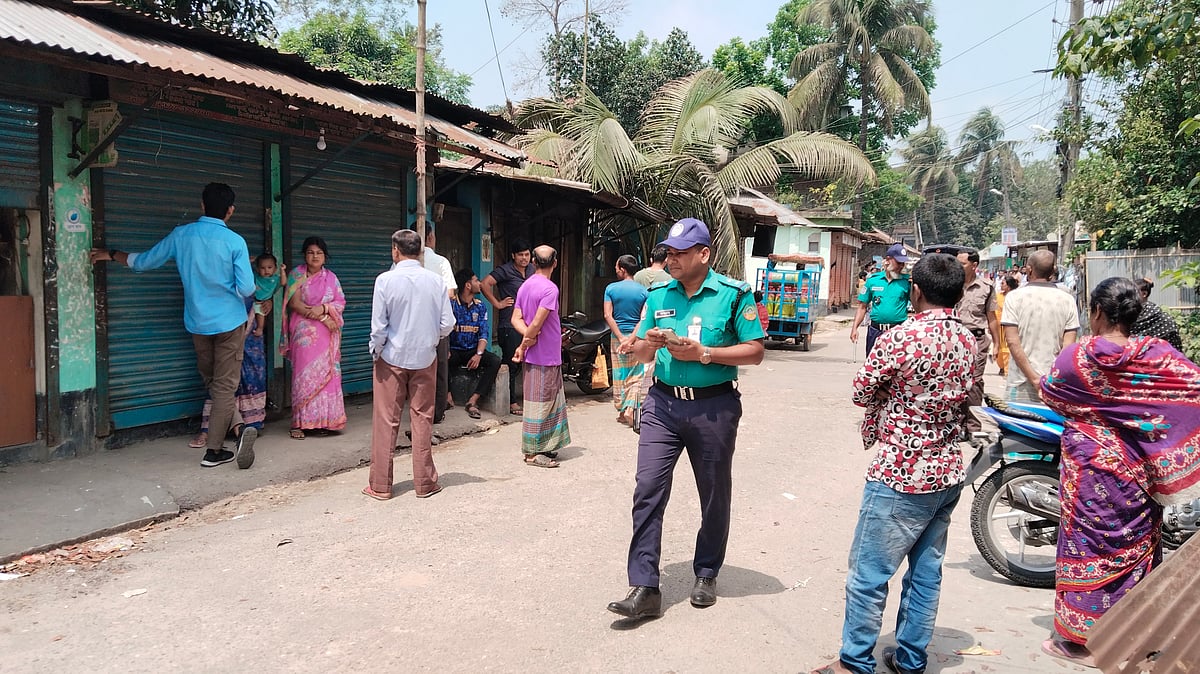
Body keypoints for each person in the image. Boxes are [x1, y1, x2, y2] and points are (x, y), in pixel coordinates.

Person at [810, 254, 977, 674]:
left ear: (916, 292)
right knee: (925, 572)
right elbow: (967, 395)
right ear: (958, 294)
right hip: (947, 469)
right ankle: (910, 658)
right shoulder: (968, 339)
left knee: (869, 574)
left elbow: (862, 392)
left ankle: (854, 663)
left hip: (901, 472)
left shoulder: (900, 338)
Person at [606, 218, 765, 620]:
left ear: (703, 254)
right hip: (663, 403)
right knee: (648, 489)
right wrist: (649, 342)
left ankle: (707, 572)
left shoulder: (732, 295)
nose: (671, 260)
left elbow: (755, 351)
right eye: (669, 253)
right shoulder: (658, 295)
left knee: (713, 491)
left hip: (714, 406)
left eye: (679, 253)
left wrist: (705, 354)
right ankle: (644, 586)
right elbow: (641, 354)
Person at [1038, 277, 1200, 667]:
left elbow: (1050, 393)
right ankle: (1132, 635)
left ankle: (1078, 641)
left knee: (1086, 546)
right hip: (1139, 476)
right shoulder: (1159, 355)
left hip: (1092, 473)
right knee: (1136, 547)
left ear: (1095, 311)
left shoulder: (1077, 358)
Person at [89, 182, 257, 469]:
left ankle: (240, 429)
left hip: (197, 323)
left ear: (202, 206)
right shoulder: (235, 242)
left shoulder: (182, 235)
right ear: (231, 211)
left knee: (214, 383)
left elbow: (143, 262)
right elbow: (246, 288)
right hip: (230, 323)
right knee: (224, 387)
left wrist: (112, 254)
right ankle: (214, 451)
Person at [364, 229, 456, 500]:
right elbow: (447, 324)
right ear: (422, 250)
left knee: (385, 421)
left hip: (390, 358)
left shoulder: (385, 281)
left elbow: (378, 326)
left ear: (395, 250)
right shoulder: (436, 282)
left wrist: (376, 351)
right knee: (423, 419)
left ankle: (380, 485)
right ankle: (425, 482)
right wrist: (430, 339)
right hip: (425, 358)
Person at [281, 236, 347, 439]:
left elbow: (340, 301)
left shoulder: (331, 278)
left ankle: (325, 422)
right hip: (304, 333)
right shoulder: (296, 275)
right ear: (304, 255)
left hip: (327, 335)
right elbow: (294, 303)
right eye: (310, 252)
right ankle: (299, 423)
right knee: (303, 375)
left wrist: (326, 310)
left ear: (325, 257)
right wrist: (321, 316)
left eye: (319, 253)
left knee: (329, 376)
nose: (315, 256)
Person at [511, 245, 570, 467]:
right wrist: (527, 341)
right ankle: (532, 453)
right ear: (555, 263)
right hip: (542, 355)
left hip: (544, 354)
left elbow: (516, 319)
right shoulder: (550, 289)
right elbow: (538, 320)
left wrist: (526, 339)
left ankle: (546, 445)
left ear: (534, 262)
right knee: (540, 403)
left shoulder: (525, 286)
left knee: (551, 401)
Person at [1000, 249, 1080, 402]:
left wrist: (1034, 378)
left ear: (1029, 269)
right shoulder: (1067, 299)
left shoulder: (1014, 297)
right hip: (1054, 382)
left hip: (1020, 382)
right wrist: (1049, 378)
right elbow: (1068, 346)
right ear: (1052, 272)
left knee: (1018, 424)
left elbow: (1012, 341)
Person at [482, 239, 535, 415]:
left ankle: (520, 398)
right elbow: (484, 284)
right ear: (513, 256)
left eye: (527, 254)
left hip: (528, 324)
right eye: (520, 255)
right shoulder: (504, 270)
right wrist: (497, 303)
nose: (524, 258)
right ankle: (511, 402)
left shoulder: (532, 270)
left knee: (525, 363)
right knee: (511, 363)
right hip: (509, 324)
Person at [955, 249, 1002, 435]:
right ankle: (957, 425)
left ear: (974, 266)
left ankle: (973, 426)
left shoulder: (987, 287)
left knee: (974, 382)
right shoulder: (951, 285)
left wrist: (997, 344)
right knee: (956, 381)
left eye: (962, 263)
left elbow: (991, 318)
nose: (958, 267)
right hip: (955, 339)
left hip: (977, 339)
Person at [448, 268, 502, 420]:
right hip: (454, 350)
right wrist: (446, 350)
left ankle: (473, 400)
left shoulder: (480, 306)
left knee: (494, 361)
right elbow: (443, 330)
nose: (480, 283)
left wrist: (479, 354)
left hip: (473, 350)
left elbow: (484, 333)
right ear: (468, 285)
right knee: (441, 360)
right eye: (476, 280)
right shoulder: (451, 305)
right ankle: (447, 397)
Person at [604, 255, 650, 426]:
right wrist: (631, 339)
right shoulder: (644, 292)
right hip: (637, 337)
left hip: (617, 337)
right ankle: (631, 408)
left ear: (623, 269)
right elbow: (643, 319)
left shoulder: (611, 289)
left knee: (619, 373)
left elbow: (608, 315)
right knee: (637, 375)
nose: (615, 270)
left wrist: (621, 337)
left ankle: (623, 410)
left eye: (617, 267)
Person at [850, 243, 911, 356]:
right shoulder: (873, 280)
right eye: (898, 262)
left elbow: (918, 306)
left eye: (903, 263)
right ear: (888, 260)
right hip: (875, 331)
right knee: (872, 365)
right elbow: (862, 307)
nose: (901, 266)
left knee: (898, 367)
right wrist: (854, 328)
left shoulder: (907, 282)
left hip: (898, 331)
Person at [422, 227, 457, 425]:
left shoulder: (399, 264)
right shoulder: (441, 261)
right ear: (430, 237)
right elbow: (451, 293)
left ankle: (417, 409)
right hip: (436, 324)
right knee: (440, 368)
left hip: (411, 327)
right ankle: (436, 412)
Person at [1131, 277, 1183, 351]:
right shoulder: (1126, 315)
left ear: (1144, 294)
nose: (1128, 296)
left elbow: (1174, 347)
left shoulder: (1163, 320)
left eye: (1132, 293)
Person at [251, 253, 286, 338]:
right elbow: (246, 271)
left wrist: (282, 271)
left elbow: (283, 282)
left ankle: (260, 328)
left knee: (260, 313)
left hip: (261, 302)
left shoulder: (275, 279)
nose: (266, 270)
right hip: (252, 301)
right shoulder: (256, 276)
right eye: (262, 268)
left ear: (275, 269)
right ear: (258, 269)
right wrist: (250, 262)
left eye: (269, 267)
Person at [994, 275, 1019, 377]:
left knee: (1007, 349)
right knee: (998, 348)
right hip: (998, 326)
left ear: (1008, 286)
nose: (1001, 285)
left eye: (1003, 283)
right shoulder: (998, 296)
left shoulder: (1015, 297)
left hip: (1009, 326)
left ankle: (1008, 370)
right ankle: (1002, 366)